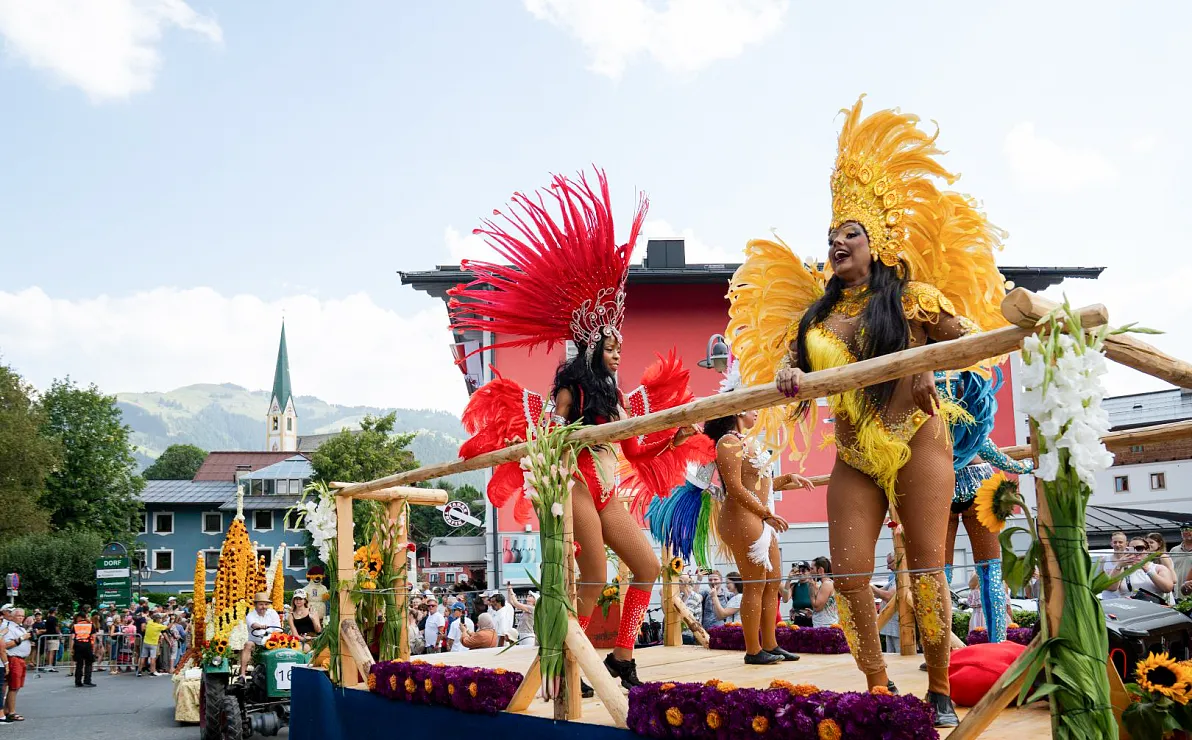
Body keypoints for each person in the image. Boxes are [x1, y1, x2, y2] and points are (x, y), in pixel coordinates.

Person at [729, 99, 1013, 727]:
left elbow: (970, 340)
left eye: (849, 233)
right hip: (855, 450)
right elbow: (788, 370)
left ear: (875, 240)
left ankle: (938, 685)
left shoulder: (914, 296)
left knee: (928, 569)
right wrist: (787, 376)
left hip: (920, 440)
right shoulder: (818, 316)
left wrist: (927, 360)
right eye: (832, 235)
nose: (836, 242)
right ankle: (879, 688)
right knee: (853, 575)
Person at [451, 169, 712, 689]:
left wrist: (674, 439)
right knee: (592, 576)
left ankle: (622, 656)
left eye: (619, 345)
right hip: (574, 487)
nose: (619, 352)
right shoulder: (569, 389)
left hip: (607, 488)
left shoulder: (614, 396)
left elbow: (635, 450)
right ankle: (573, 664)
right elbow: (550, 441)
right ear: (592, 344)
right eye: (612, 345)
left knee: (646, 568)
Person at [703, 369, 814, 664]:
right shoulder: (728, 441)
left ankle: (771, 644)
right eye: (752, 406)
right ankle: (753, 650)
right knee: (755, 583)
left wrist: (788, 478)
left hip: (758, 517)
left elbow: (759, 485)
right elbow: (736, 488)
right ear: (738, 408)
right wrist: (766, 513)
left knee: (773, 580)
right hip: (743, 517)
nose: (757, 412)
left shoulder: (746, 441)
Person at [939, 367, 1034, 643]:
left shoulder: (931, 421)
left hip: (941, 485)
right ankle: (998, 642)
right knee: (990, 567)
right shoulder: (971, 417)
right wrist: (1023, 467)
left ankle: (940, 649)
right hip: (978, 484)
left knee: (940, 572)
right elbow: (991, 452)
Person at [1109, 537, 1176, 600]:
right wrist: (1119, 565)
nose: (1135, 552)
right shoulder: (1122, 569)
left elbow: (1167, 588)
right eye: (1131, 549)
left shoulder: (1158, 568)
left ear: (1147, 550)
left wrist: (1147, 569)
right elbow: (1111, 588)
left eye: (1139, 548)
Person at [239, 593, 281, 678]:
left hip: (271, 641)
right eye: (261, 604)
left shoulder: (273, 613)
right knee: (248, 645)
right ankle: (242, 674)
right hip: (256, 643)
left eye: (266, 604)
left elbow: (278, 630)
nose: (264, 607)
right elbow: (253, 625)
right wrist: (260, 626)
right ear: (255, 605)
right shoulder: (250, 615)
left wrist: (273, 637)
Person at [2, 608, 31, 721]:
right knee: (13, 686)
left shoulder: (20, 627)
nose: (21, 617)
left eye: (22, 615)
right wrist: (22, 638)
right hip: (14, 658)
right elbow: (6, 644)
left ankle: (6, 710)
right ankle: (11, 712)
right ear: (12, 616)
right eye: (18, 615)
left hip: (21, 659)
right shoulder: (9, 627)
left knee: (17, 686)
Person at [872, 552, 900, 653]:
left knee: (900, 656)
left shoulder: (903, 578)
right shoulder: (894, 578)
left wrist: (870, 586)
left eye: (890, 563)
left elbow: (888, 596)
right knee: (891, 656)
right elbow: (878, 593)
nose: (888, 567)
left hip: (899, 628)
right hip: (890, 625)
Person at [1098, 532, 1131, 599]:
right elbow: (1100, 580)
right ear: (1111, 544)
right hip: (1108, 598)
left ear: (1126, 543)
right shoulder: (1104, 559)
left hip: (1126, 599)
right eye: (1115, 542)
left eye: (1120, 542)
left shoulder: (1130, 560)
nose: (1117, 544)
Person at [1147, 533, 1178, 602]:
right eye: (1147, 543)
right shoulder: (1147, 558)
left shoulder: (1163, 557)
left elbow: (1174, 579)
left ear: (1159, 544)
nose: (1148, 545)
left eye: (1151, 542)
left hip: (1163, 594)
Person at [70, 612, 96, 688]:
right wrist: (93, 648)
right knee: (88, 663)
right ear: (85, 617)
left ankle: (78, 682)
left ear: (79, 617)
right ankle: (87, 681)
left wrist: (72, 649)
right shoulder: (91, 625)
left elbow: (72, 638)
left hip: (78, 645)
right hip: (87, 645)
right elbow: (93, 637)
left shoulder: (75, 626)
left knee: (79, 664)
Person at [679, 576, 702, 645]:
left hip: (689, 635)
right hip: (681, 634)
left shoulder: (694, 597)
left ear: (683, 583)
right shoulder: (680, 596)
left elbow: (686, 617)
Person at [42, 607, 60, 673]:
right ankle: (50, 666)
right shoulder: (54, 619)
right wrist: (59, 633)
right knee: (52, 652)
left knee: (48, 652)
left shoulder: (48, 619)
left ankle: (47, 665)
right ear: (54, 611)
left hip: (48, 636)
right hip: (54, 636)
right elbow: (56, 627)